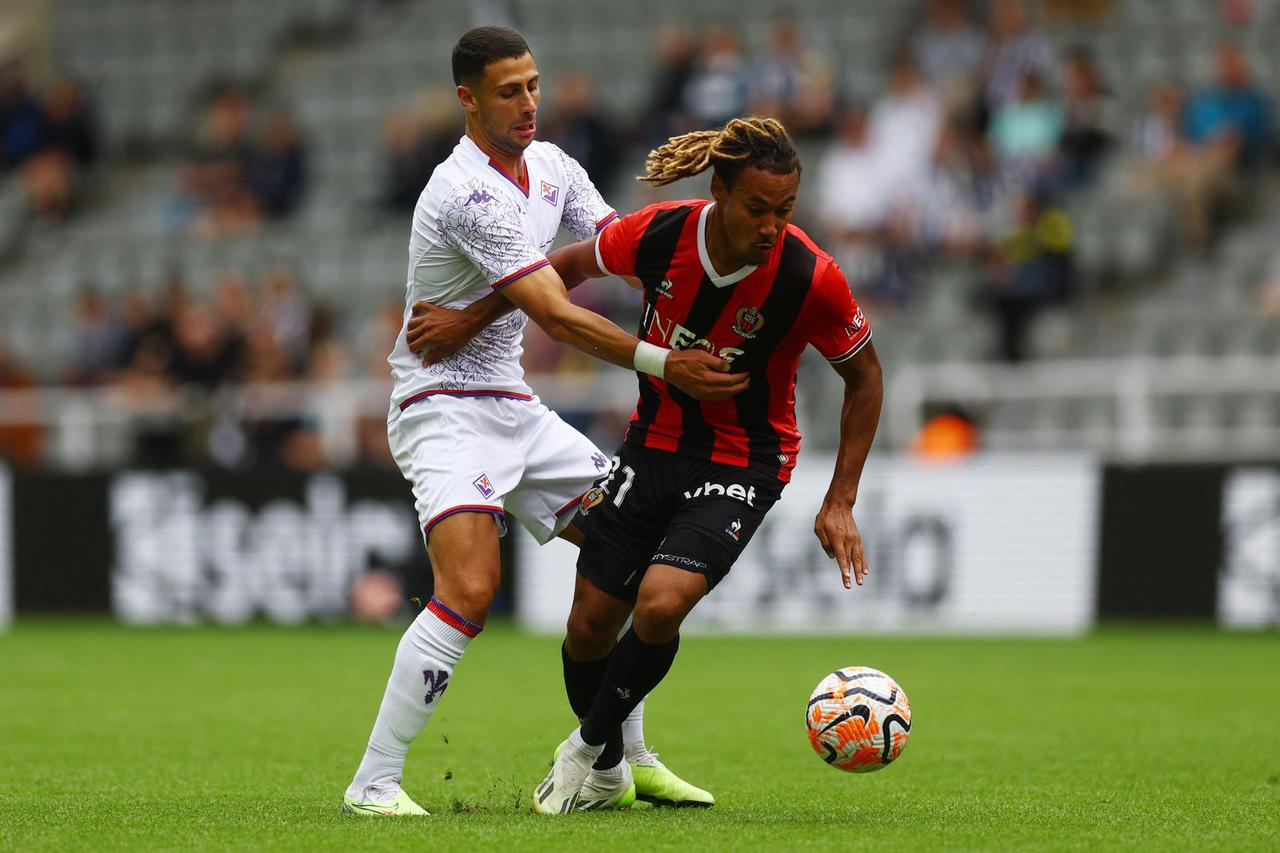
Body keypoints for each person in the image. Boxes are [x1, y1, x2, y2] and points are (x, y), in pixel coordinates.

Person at [418, 116, 882, 813]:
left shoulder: (809, 276)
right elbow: (563, 269)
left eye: (785, 211)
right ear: (720, 190)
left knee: (662, 601)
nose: (770, 226)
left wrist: (840, 497)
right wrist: (470, 318)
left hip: (744, 459)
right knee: (588, 624)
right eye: (757, 208)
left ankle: (580, 751)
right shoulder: (661, 233)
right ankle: (609, 772)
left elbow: (866, 377)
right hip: (652, 446)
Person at [341, 26, 741, 818]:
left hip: (515, 406)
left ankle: (627, 759)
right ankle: (373, 781)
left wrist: (709, 207)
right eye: (507, 90)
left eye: (532, 85)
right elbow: (556, 314)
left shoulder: (553, 167)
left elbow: (621, 248)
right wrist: (666, 364)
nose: (528, 103)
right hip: (441, 406)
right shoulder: (462, 190)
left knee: (630, 553)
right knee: (471, 590)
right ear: (467, 99)